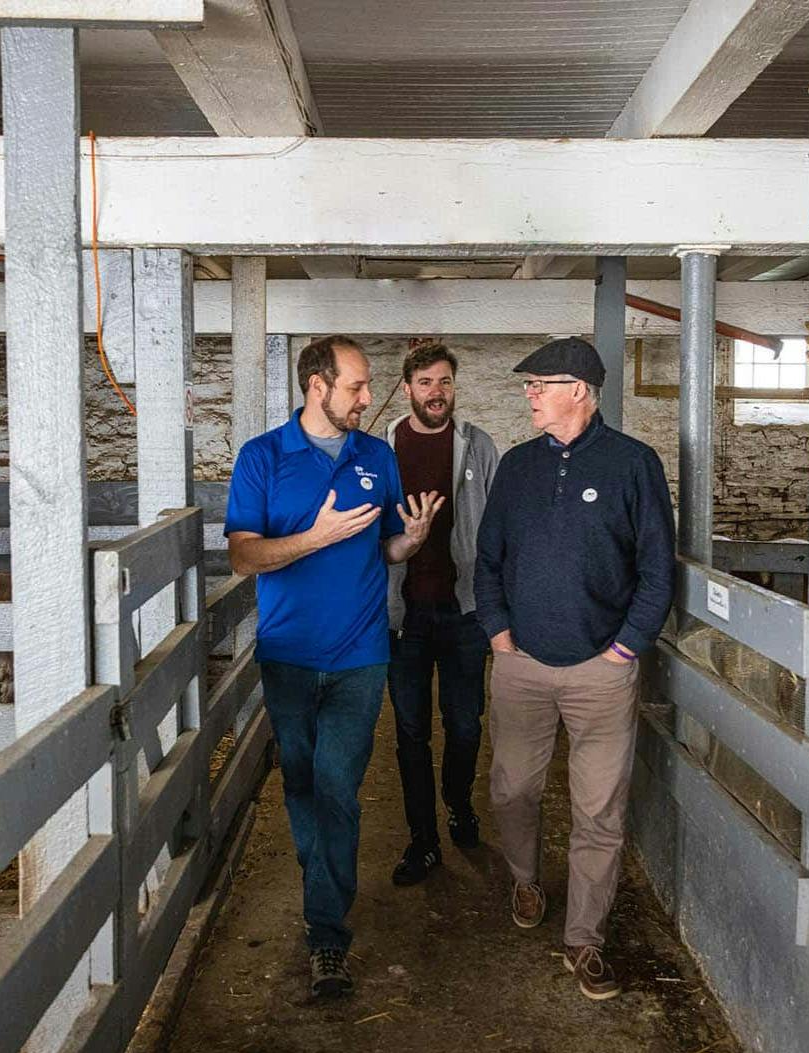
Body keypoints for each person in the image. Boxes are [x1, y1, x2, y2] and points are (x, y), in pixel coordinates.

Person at [225, 335, 443, 998]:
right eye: (356, 386)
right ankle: (321, 872)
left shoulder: (377, 456)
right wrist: (314, 538)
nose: (369, 398)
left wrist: (411, 537)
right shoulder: (262, 458)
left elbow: (387, 550)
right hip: (288, 655)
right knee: (299, 787)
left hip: (360, 654)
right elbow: (242, 557)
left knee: (338, 789)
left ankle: (326, 933)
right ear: (316, 386)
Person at [473, 336, 675, 1002]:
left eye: (541, 384)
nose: (529, 394)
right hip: (521, 663)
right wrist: (500, 635)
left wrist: (625, 649)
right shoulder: (518, 465)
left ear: (581, 391)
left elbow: (655, 569)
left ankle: (585, 939)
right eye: (527, 385)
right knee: (510, 789)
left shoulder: (633, 465)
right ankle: (526, 877)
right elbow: (489, 559)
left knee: (599, 813)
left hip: (602, 672)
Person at [383, 342, 500, 886]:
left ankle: (458, 801)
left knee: (464, 724)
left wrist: (501, 610)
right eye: (426, 382)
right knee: (410, 733)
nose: (437, 392)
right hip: (403, 614)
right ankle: (423, 839)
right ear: (407, 388)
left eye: (446, 381)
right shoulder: (380, 448)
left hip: (465, 612)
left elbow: (498, 530)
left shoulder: (478, 446)